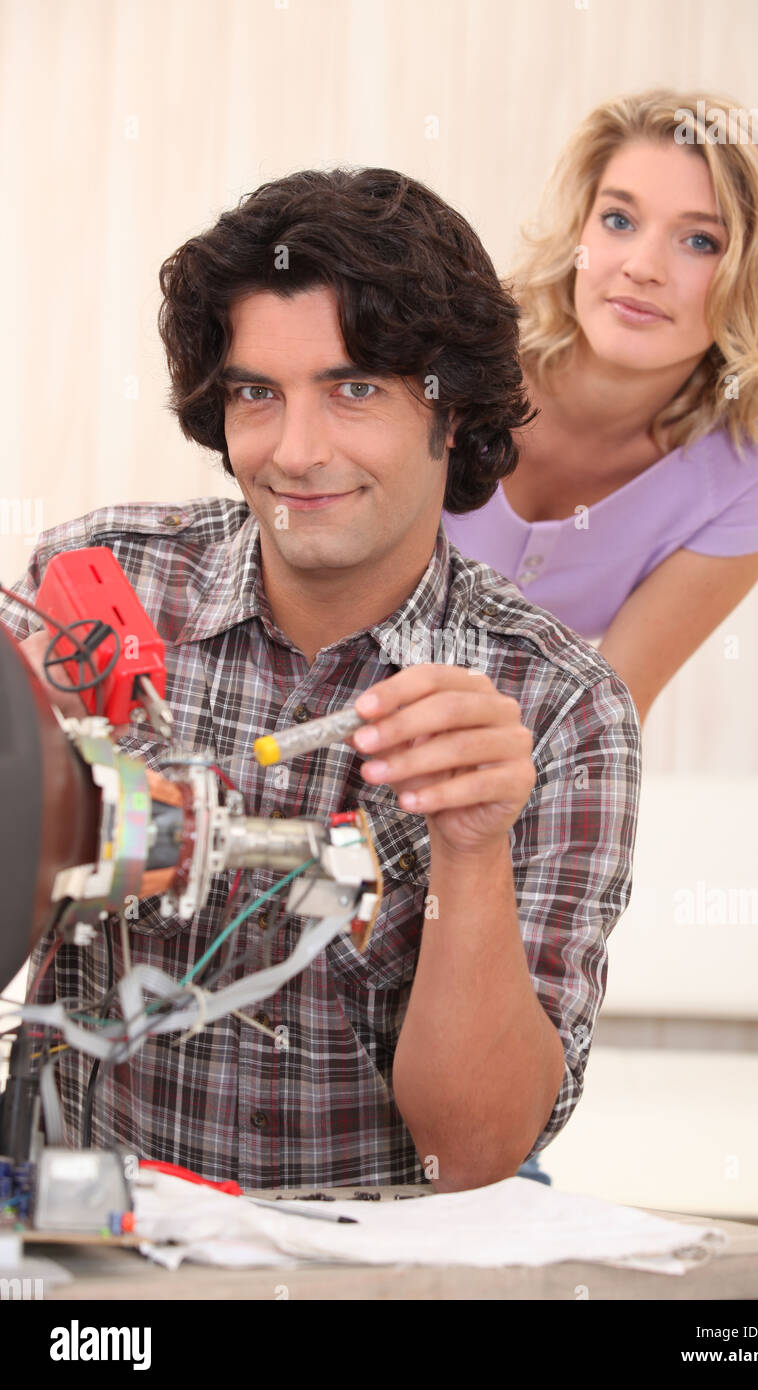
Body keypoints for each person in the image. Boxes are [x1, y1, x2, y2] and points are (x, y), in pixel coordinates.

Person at [2, 168, 641, 1191]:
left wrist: (468, 850)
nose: (295, 453)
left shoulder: (558, 707)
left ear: (452, 410)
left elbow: (471, 1155)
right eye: (256, 392)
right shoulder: (99, 585)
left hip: (372, 1265)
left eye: (353, 390)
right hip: (100, 1242)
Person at [443, 88, 758, 726]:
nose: (642, 267)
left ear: (755, 270)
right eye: (619, 220)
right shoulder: (454, 351)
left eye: (699, 241)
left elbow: (608, 710)